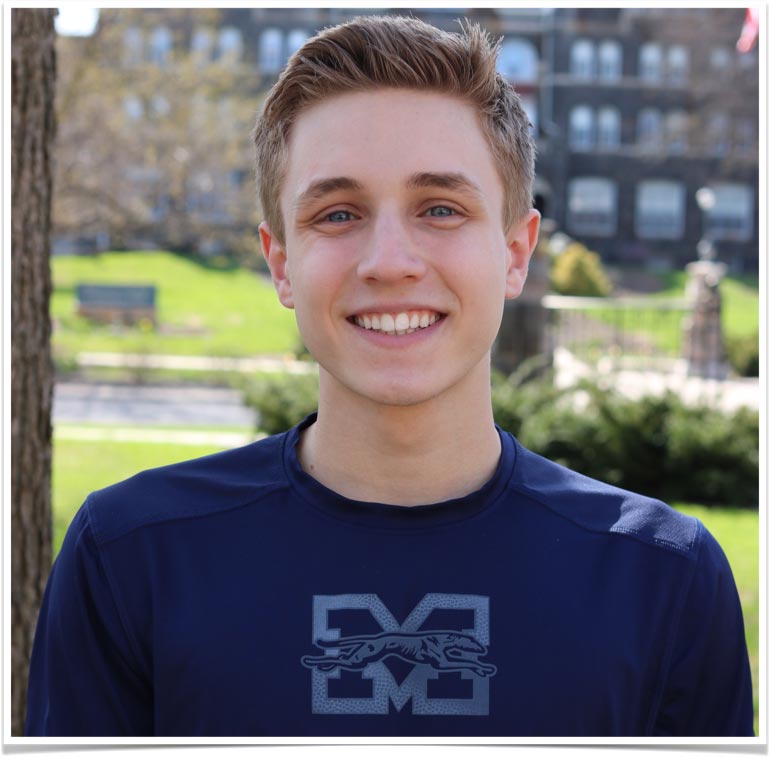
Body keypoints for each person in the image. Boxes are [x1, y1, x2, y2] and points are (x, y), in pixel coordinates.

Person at [26, 15, 753, 738]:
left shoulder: (662, 579)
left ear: (515, 252)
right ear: (282, 263)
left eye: (440, 208)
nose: (389, 261)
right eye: (339, 214)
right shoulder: (132, 558)